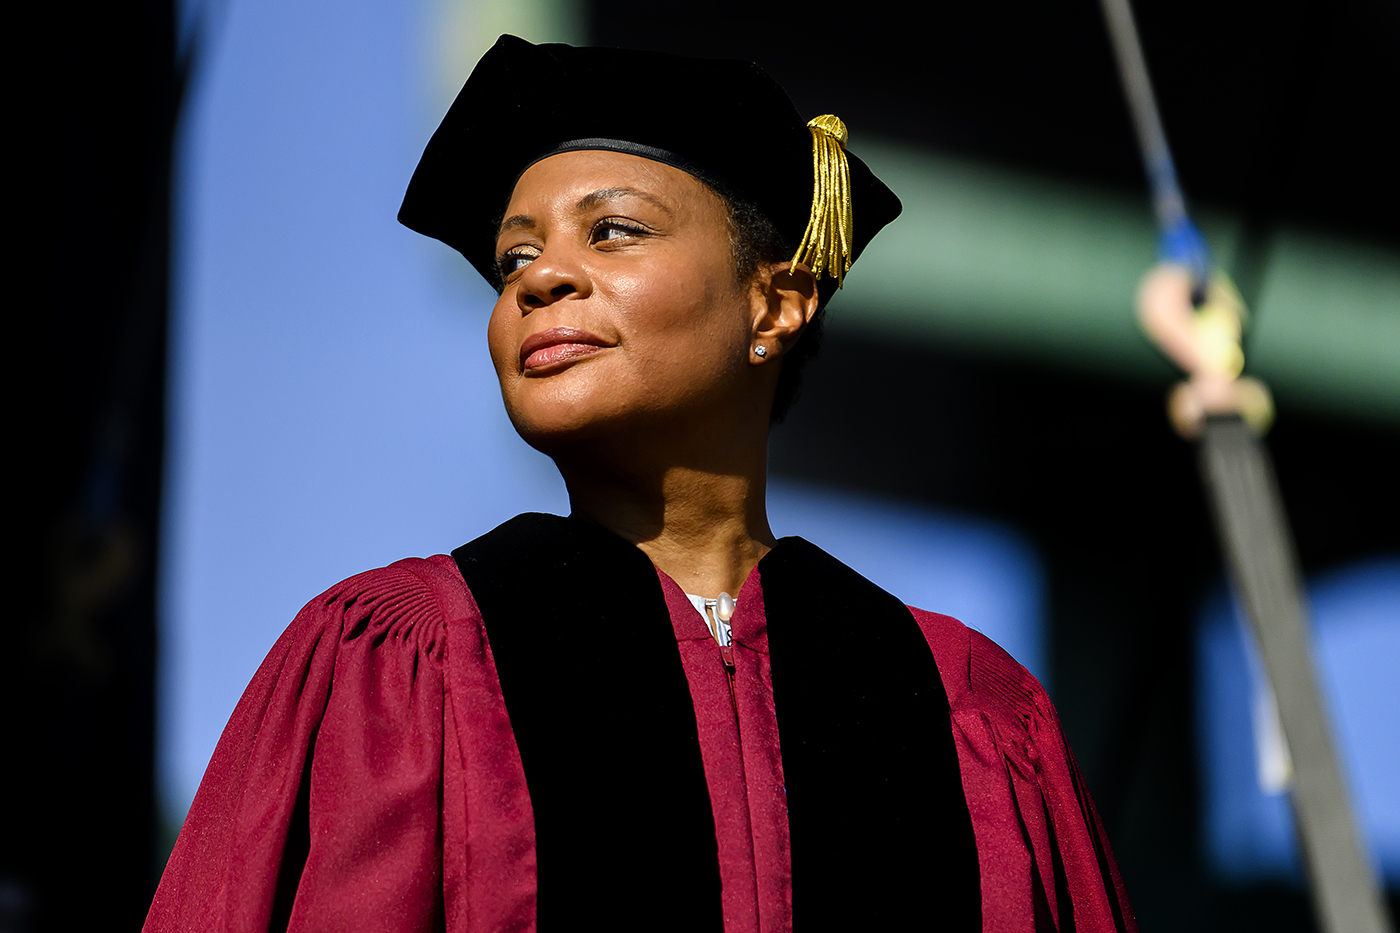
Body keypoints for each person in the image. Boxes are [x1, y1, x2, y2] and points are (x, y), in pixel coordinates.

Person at [145, 35, 1137, 933]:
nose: (539, 280)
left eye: (612, 230)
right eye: (515, 258)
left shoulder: (962, 703)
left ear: (775, 302)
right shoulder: (401, 658)